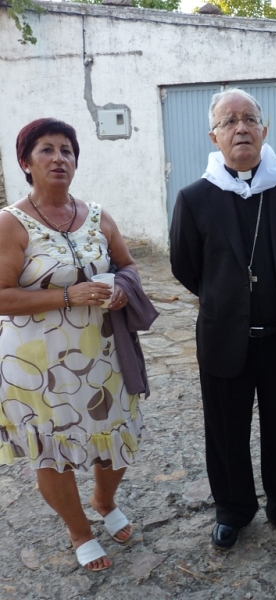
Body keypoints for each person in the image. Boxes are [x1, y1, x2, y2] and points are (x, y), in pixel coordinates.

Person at [169, 89, 276, 549]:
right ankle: (233, 509)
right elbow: (185, 265)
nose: (241, 127)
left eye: (250, 118)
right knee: (225, 432)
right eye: (229, 121)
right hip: (224, 337)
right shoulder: (195, 197)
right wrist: (226, 297)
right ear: (213, 135)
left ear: (265, 130)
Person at [0, 118, 149, 571]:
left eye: (67, 150)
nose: (59, 158)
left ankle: (104, 501)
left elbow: (128, 266)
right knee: (53, 451)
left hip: (104, 355)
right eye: (46, 150)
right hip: (38, 364)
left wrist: (123, 287)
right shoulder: (11, 222)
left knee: (116, 436)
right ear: (26, 162)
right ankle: (79, 528)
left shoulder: (99, 216)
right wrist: (67, 294)